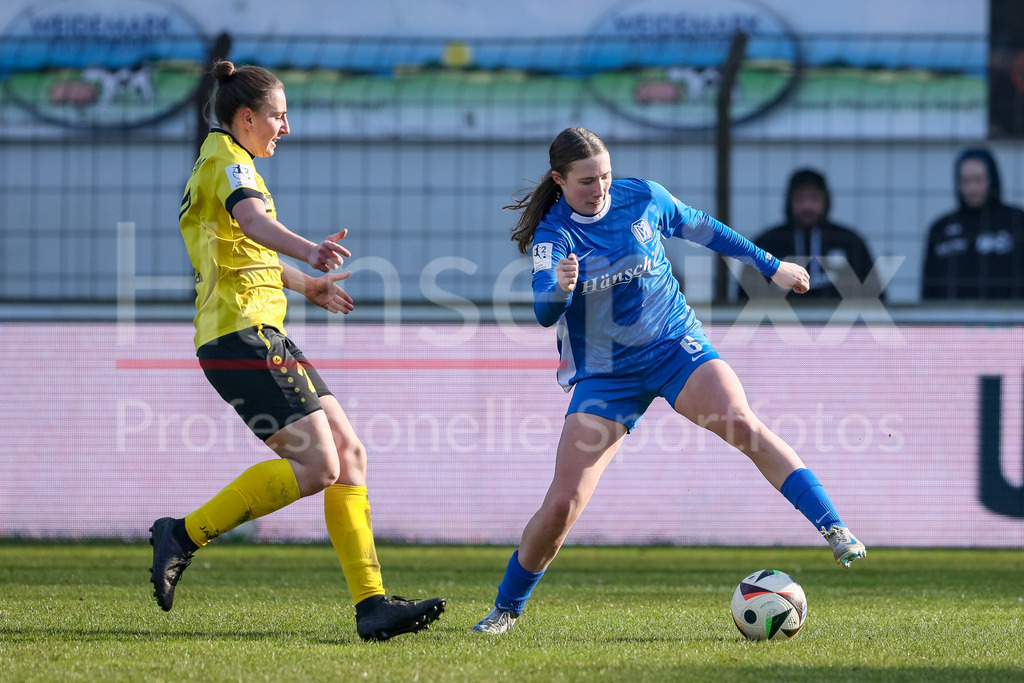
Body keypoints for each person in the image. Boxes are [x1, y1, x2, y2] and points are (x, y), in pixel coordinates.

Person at [472, 128, 866, 636]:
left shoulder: (644, 198)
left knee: (743, 424)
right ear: (559, 180)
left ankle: (833, 525)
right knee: (564, 504)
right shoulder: (554, 237)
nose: (602, 189)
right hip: (607, 376)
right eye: (588, 181)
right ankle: (506, 609)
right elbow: (546, 311)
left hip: (675, 349)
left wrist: (772, 267)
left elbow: (705, 228)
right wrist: (561, 291)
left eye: (607, 176)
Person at [150, 60, 445, 641]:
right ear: (247, 117)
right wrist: (310, 252)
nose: (287, 126)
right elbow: (253, 222)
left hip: (260, 332)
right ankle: (181, 535)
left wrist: (304, 284)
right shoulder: (231, 163)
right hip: (239, 338)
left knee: (349, 457)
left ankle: (373, 606)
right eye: (279, 116)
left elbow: (241, 248)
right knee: (319, 466)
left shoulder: (219, 160)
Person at [740, 168, 882, 303]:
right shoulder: (768, 242)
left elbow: (874, 294)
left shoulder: (849, 241)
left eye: (814, 198)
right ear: (789, 201)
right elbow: (745, 296)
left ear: (825, 200)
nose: (807, 206)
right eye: (800, 198)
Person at [922, 147, 1024, 299]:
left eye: (978, 180)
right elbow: (928, 290)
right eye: (965, 181)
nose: (972, 188)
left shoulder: (1017, 221)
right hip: (952, 320)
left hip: (1008, 319)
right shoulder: (941, 228)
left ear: (992, 179)